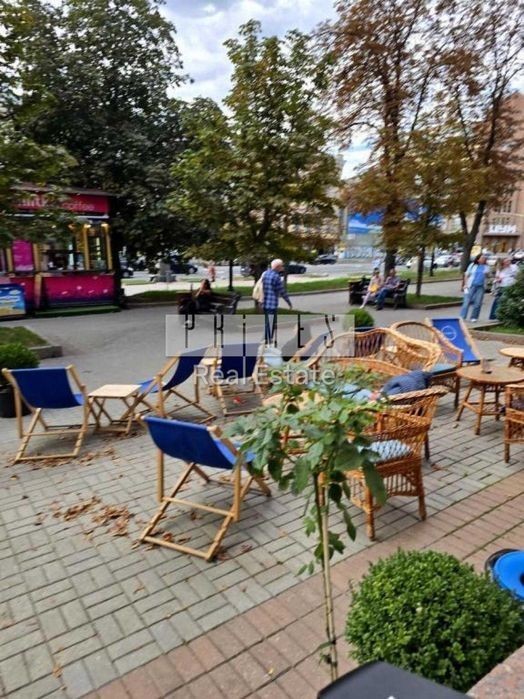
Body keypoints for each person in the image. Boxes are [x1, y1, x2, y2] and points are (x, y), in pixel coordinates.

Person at [262, 259, 293, 344]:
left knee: (268, 322)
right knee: (271, 323)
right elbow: (282, 291)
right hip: (272, 304)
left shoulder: (265, 274)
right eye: (282, 266)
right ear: (277, 267)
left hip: (264, 302)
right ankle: (267, 340)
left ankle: (266, 339)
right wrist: (288, 302)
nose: (283, 267)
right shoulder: (276, 277)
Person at [460, 254, 489, 322]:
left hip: (481, 286)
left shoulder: (486, 267)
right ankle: (462, 317)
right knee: (466, 302)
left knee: (478, 302)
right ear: (478, 259)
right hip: (471, 285)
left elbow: (488, 276)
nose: (483, 259)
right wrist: (465, 284)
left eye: (484, 258)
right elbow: (466, 275)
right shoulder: (473, 265)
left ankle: (474, 317)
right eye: (482, 258)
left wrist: (487, 274)